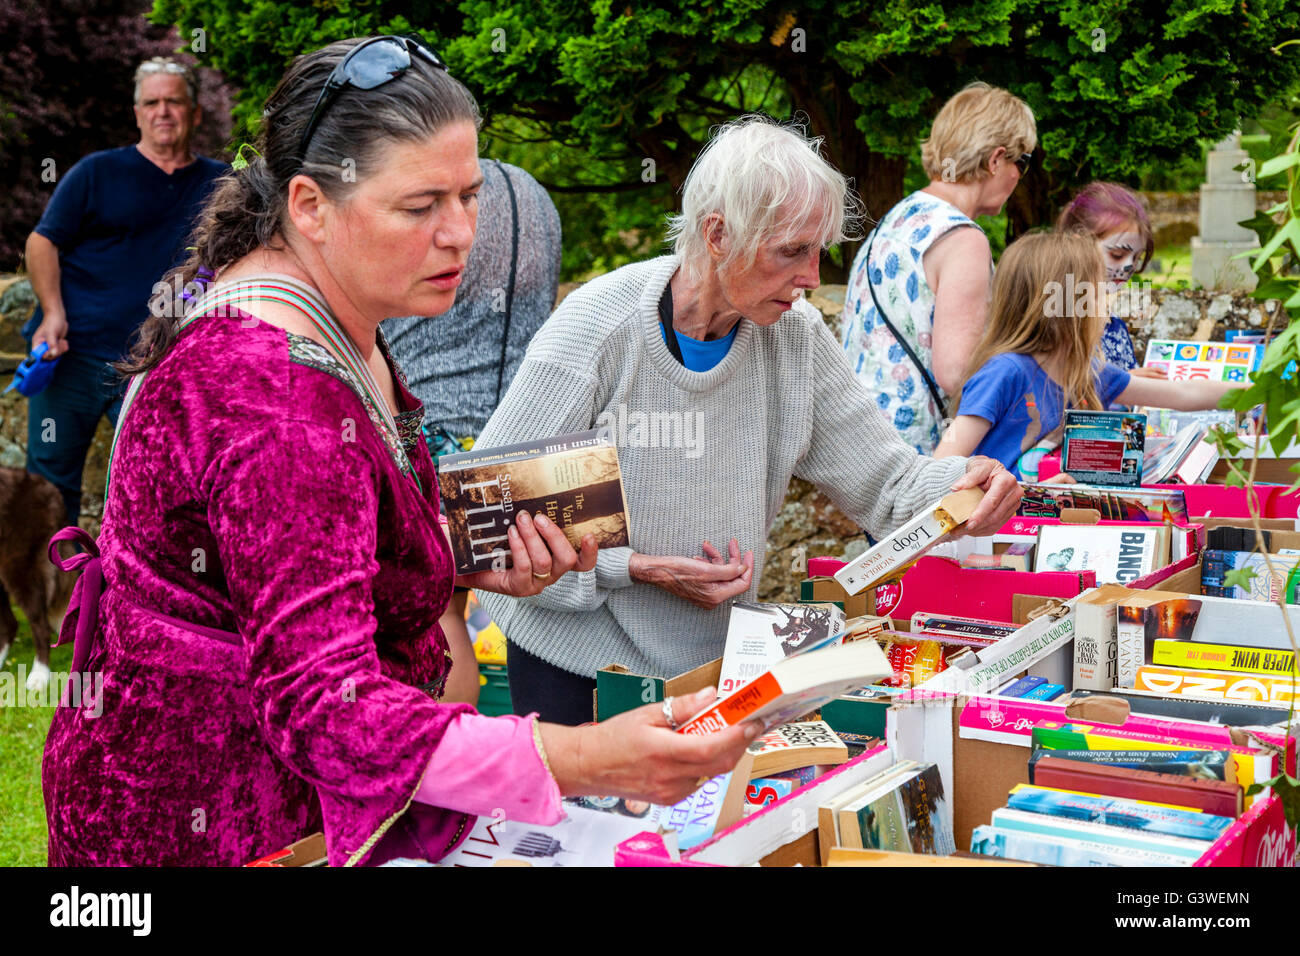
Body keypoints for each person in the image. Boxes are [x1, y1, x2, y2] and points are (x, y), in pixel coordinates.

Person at [41, 36, 756, 868]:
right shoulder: (271, 396)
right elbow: (325, 705)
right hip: (219, 824)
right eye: (420, 207)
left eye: (470, 195)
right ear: (309, 205)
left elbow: (306, 555)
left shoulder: (328, 311)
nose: (460, 234)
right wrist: (583, 756)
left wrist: (460, 557)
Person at [474, 115, 1024, 727]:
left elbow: (890, 485)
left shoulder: (795, 339)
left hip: (715, 668)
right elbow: (489, 513)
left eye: (819, 252)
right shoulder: (600, 326)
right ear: (717, 235)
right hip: (576, 665)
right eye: (792, 251)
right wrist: (637, 568)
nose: (813, 278)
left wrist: (963, 482)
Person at [382, 159, 562, 704]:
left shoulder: (419, 196)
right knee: (520, 601)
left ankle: (441, 774)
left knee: (439, 616)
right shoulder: (533, 193)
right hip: (521, 429)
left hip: (431, 429)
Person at [22, 57, 228, 528]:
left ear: (195, 113)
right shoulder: (96, 173)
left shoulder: (222, 185)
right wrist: (52, 313)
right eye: (151, 102)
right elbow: (42, 241)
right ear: (136, 113)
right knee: (49, 492)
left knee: (149, 492)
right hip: (72, 355)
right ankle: (55, 598)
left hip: (154, 366)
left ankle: (119, 596)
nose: (163, 112)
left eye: (174, 101)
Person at [934, 232, 1245, 477]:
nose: (1107, 304)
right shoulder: (1005, 372)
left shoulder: (1088, 372)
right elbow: (940, 470)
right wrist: (1027, 495)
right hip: (995, 541)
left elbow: (1183, 393)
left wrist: (1265, 389)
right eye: (1098, 293)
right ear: (1063, 308)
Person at [840, 82, 1036, 453]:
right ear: (996, 160)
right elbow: (958, 372)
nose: (1018, 177)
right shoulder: (963, 239)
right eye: (1021, 163)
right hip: (916, 456)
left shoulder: (897, 218)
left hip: (862, 444)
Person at [1056, 181, 1167, 400]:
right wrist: (1126, 383)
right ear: (1080, 244)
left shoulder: (1113, 324)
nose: (1128, 267)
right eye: (1117, 255)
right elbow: (1054, 393)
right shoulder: (1059, 317)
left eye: (1136, 258)